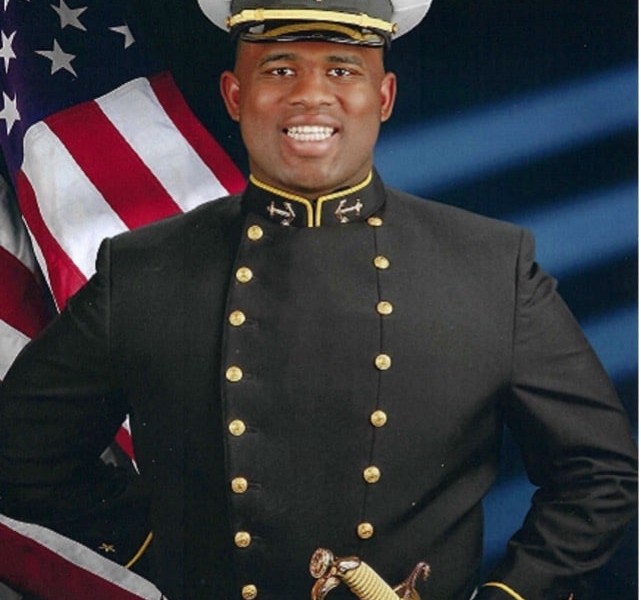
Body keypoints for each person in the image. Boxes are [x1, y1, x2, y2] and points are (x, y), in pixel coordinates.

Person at [0, 0, 637, 599]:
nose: (310, 94)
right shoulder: (146, 269)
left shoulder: (491, 267)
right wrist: (154, 546)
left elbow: (602, 473)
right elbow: (19, 450)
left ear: (383, 97)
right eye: (279, 69)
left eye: (342, 69)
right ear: (235, 95)